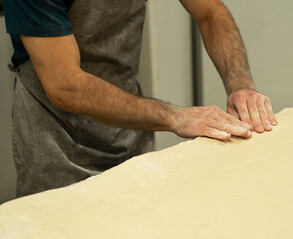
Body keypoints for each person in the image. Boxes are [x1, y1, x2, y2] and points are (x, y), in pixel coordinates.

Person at [3, 0, 277, 197]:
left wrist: (241, 84)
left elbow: (209, 11)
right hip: (58, 144)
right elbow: (65, 87)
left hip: (130, 131)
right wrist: (175, 117)